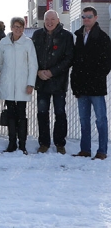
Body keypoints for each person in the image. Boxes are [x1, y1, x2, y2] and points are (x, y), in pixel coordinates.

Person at [70, 6, 111, 160]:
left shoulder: (103, 37)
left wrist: (95, 78)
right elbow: (76, 62)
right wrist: (75, 83)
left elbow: (106, 64)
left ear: (95, 17)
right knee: (83, 120)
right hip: (81, 86)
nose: (86, 19)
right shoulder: (79, 37)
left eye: (89, 16)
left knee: (101, 120)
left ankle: (102, 151)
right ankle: (85, 149)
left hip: (96, 87)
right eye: (84, 16)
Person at [31, 10, 74, 154]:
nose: (49, 22)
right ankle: (44, 143)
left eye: (52, 19)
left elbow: (68, 58)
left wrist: (52, 72)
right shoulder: (37, 35)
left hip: (58, 82)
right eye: (47, 19)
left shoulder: (66, 36)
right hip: (42, 82)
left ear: (58, 20)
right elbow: (32, 57)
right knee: (42, 113)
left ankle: (60, 143)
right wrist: (38, 72)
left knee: (60, 113)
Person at [0, 17, 38, 155]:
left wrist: (30, 83)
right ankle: (12, 142)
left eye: (20, 26)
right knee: (11, 115)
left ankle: (22, 144)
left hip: (22, 84)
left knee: (21, 114)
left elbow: (33, 65)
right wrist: (8, 75)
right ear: (11, 27)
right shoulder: (4, 42)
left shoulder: (27, 43)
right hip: (9, 84)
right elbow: (0, 62)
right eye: (15, 26)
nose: (18, 29)